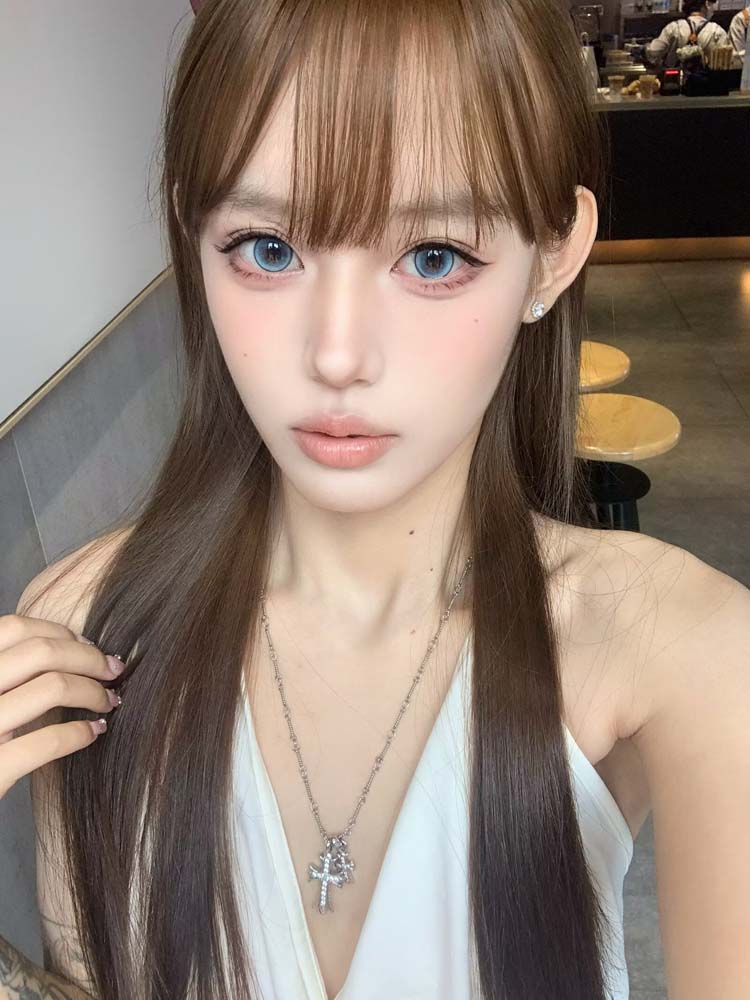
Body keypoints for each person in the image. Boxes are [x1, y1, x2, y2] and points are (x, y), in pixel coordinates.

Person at [1, 0, 749, 998]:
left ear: (553, 253)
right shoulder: (84, 628)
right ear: (192, 232)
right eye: (268, 248)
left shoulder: (686, 650)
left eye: (434, 257)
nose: (338, 355)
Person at [645, 0, 729, 67]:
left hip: (673, 81)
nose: (713, 9)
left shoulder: (674, 27)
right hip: (708, 81)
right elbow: (724, 62)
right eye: (712, 4)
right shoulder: (717, 31)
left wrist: (645, 47)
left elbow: (653, 52)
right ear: (707, 4)